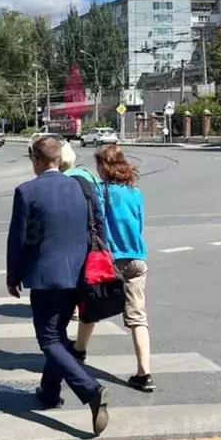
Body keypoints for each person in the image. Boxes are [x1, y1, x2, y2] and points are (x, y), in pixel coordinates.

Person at [6, 136, 110, 435]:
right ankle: (49, 391)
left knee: (49, 340)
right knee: (58, 336)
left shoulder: (27, 191)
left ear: (36, 161)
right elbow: (99, 225)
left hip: (45, 278)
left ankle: (91, 391)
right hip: (80, 275)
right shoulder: (82, 186)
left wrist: (13, 276)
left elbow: (18, 238)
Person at [79, 144, 154, 392]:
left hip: (110, 260)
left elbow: (95, 224)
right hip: (136, 258)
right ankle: (144, 374)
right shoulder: (136, 193)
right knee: (137, 317)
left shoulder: (101, 192)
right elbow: (139, 224)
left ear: (104, 166)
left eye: (98, 164)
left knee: (92, 303)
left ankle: (79, 350)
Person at [59, 142, 102, 363]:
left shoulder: (65, 182)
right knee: (89, 298)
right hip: (95, 246)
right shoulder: (89, 177)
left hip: (76, 249)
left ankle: (72, 353)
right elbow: (100, 215)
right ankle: (79, 347)